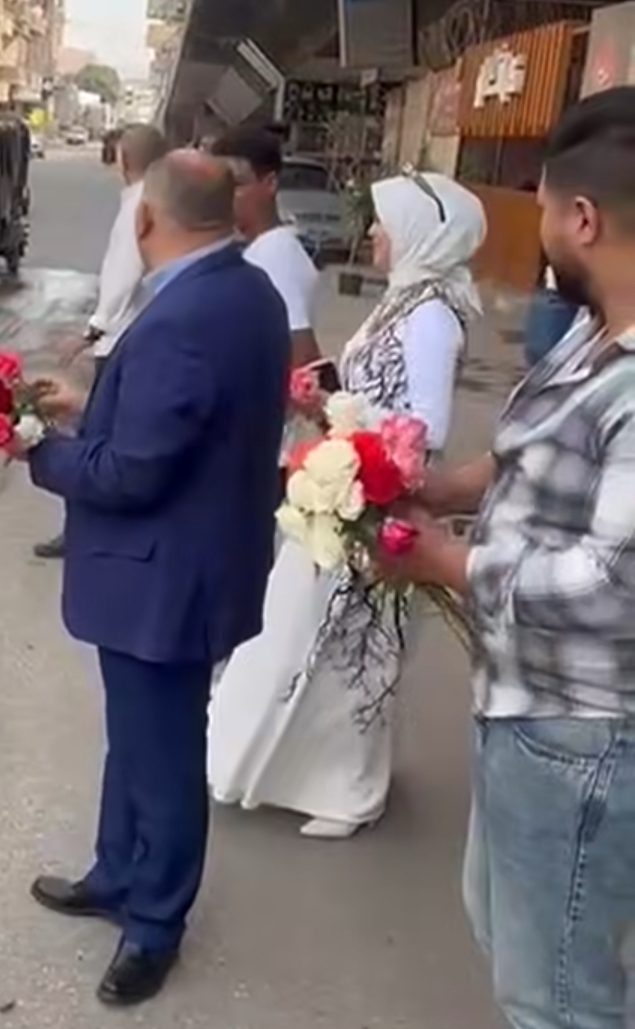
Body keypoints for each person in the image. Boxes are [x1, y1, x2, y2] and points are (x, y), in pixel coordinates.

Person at [13, 150, 291, 1005]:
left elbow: (133, 472)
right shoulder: (247, 289)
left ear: (145, 219)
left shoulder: (186, 313)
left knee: (163, 752)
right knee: (137, 736)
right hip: (196, 562)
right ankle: (117, 871)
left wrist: (37, 449)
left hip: (167, 576)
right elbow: (188, 419)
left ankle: (154, 923)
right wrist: (89, 406)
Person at [387, 86, 635, 1029]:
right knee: (510, 939)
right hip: (526, 703)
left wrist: (448, 562)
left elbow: (612, 582)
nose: (543, 236)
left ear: (584, 219)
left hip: (588, 732)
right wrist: (441, 488)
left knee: (559, 996)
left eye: (546, 213)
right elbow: (529, 450)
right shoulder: (593, 331)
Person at [208, 169, 486, 838]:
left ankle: (347, 791)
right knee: (300, 636)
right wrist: (327, 395)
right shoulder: (405, 299)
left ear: (418, 233)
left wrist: (336, 408)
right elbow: (375, 389)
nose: (372, 234)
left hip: (378, 500)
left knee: (351, 651)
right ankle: (275, 766)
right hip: (348, 486)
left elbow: (425, 429)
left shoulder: (431, 317)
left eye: (383, 223)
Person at [33, 124, 168, 560]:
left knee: (96, 437)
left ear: (124, 159)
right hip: (135, 336)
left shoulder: (139, 206)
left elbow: (124, 275)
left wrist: (92, 330)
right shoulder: (154, 200)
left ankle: (84, 528)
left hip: (120, 339)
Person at [210, 125, 322, 368]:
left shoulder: (277, 253)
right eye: (220, 186)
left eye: (236, 184)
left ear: (270, 184)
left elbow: (302, 354)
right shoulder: (258, 249)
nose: (224, 196)